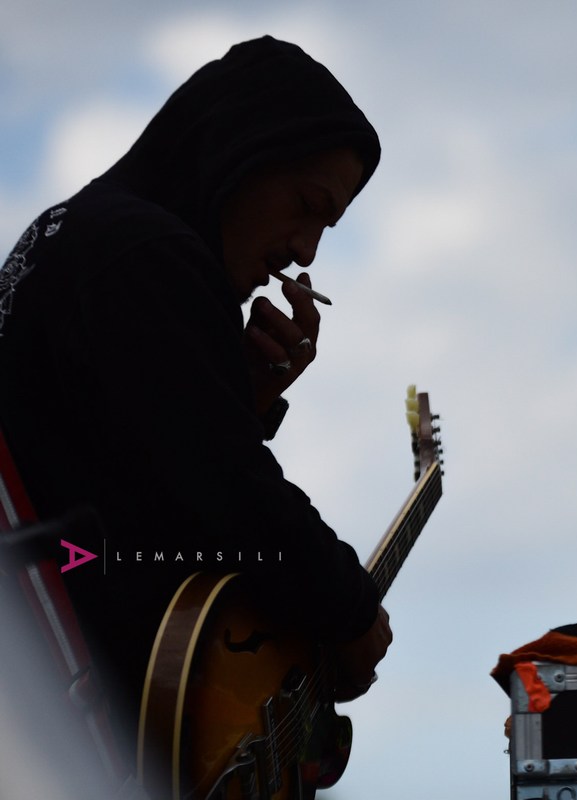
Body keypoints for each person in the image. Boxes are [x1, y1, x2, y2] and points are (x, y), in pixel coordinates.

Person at [0, 35, 391, 775]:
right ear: (240, 152)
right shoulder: (147, 253)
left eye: (326, 230)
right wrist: (350, 606)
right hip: (72, 718)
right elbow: (226, 493)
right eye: (307, 207)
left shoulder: (86, 232)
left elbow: (130, 471)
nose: (306, 251)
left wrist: (236, 392)